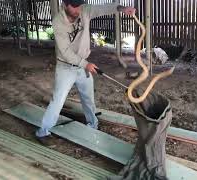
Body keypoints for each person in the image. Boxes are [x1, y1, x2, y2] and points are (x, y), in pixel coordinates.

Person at [36, 0, 136, 144]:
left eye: (80, 5)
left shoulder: (85, 10)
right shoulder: (58, 22)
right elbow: (65, 52)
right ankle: (42, 132)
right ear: (65, 5)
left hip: (83, 65)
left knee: (88, 98)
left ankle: (93, 125)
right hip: (66, 67)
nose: (78, 9)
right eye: (74, 6)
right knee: (57, 100)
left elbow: (105, 8)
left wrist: (122, 8)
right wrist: (85, 64)